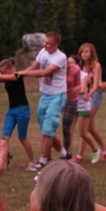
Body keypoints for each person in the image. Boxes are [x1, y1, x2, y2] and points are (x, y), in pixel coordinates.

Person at [18, 32, 68, 170]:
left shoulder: (61, 57)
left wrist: (25, 73)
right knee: (48, 129)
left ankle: (43, 161)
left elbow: (45, 72)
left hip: (58, 96)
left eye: (48, 43)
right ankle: (64, 154)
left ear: (56, 44)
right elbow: (35, 67)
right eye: (45, 42)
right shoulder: (43, 52)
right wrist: (21, 75)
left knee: (47, 130)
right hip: (45, 95)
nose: (45, 45)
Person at [0, 58, 36, 170]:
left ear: (11, 69)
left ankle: (32, 161)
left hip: (22, 110)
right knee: (4, 137)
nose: (2, 74)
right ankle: (3, 160)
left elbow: (0, 77)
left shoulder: (17, 76)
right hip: (11, 111)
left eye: (4, 71)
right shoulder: (7, 78)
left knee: (22, 138)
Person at [79, 43, 106, 162]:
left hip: (95, 95)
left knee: (85, 125)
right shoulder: (80, 66)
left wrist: (89, 95)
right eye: (82, 52)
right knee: (90, 127)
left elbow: (96, 84)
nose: (84, 54)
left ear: (92, 53)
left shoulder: (96, 65)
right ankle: (105, 148)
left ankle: (80, 155)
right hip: (84, 95)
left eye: (87, 51)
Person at [72, 54, 99, 163]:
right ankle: (67, 156)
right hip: (71, 105)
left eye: (71, 63)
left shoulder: (83, 75)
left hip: (83, 106)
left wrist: (70, 90)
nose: (69, 65)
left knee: (83, 133)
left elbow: (83, 90)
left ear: (77, 65)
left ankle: (95, 150)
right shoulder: (66, 75)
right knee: (68, 131)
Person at [62, 55, 81, 159]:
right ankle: (48, 154)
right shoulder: (59, 69)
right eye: (68, 62)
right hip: (59, 98)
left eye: (71, 62)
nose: (69, 64)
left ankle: (67, 153)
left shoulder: (76, 70)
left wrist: (77, 89)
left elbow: (79, 84)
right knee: (51, 126)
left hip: (71, 100)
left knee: (66, 128)